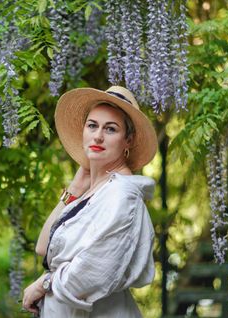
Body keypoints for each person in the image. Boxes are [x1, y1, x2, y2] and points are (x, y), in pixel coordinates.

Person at [22, 85, 158, 317]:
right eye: (92, 125)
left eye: (111, 129)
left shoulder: (123, 195)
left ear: (128, 140)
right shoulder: (94, 191)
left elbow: (90, 274)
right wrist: (76, 187)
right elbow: (43, 248)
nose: (98, 136)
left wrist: (43, 284)